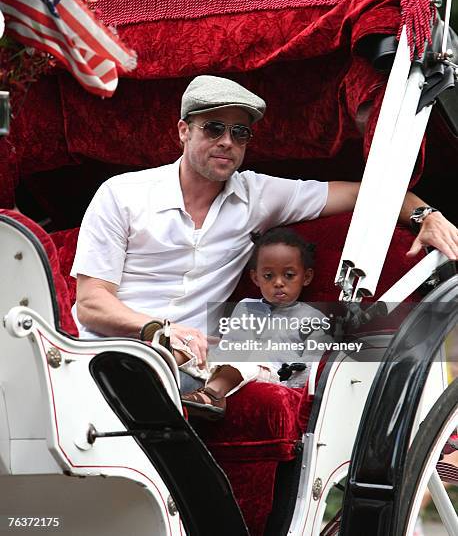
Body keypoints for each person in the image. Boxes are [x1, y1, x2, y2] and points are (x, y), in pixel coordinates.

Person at [71, 75, 458, 369]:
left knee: (313, 334)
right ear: (183, 131)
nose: (227, 141)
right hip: (114, 354)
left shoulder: (258, 194)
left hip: (203, 360)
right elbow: (91, 304)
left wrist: (428, 215)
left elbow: (364, 193)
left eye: (240, 133)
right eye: (214, 128)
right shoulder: (121, 194)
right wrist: (160, 330)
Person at [180, 227, 326, 419]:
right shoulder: (245, 306)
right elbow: (231, 343)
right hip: (229, 360)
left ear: (306, 277)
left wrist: (290, 376)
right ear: (256, 278)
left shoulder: (313, 319)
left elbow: (311, 368)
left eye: (289, 275)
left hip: (271, 373)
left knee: (245, 362)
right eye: (268, 276)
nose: (279, 283)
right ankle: (155, 369)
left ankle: (213, 395)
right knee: (189, 345)